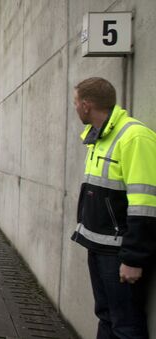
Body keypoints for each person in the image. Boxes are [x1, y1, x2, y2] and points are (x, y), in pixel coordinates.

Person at [71, 77, 156, 339]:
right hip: (99, 247)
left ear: (86, 106)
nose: (74, 108)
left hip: (119, 254)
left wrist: (132, 258)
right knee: (107, 317)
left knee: (126, 325)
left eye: (75, 102)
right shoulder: (99, 139)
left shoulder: (134, 137)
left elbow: (145, 205)